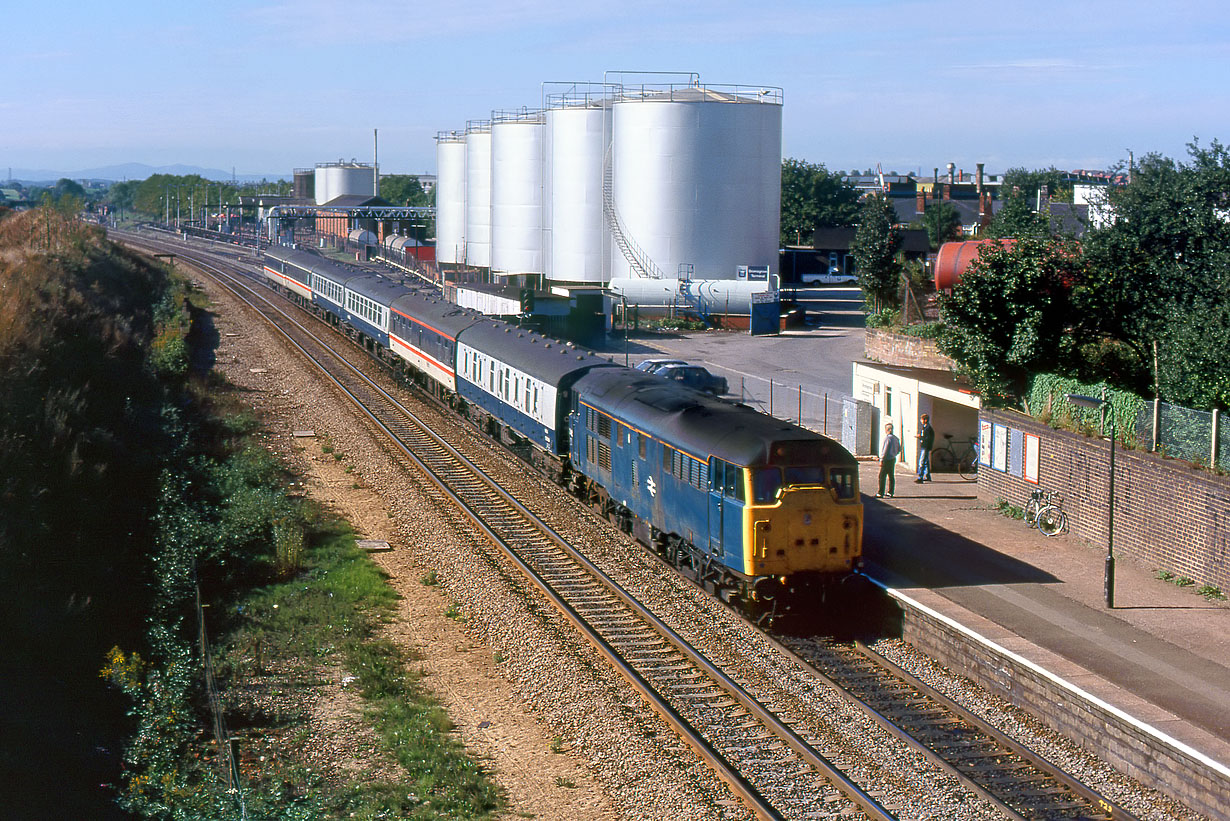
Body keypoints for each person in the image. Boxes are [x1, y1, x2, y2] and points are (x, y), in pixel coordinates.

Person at [877, 422, 901, 498]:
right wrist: (894, 454)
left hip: (886, 459)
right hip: (893, 459)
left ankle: (880, 492)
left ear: (887, 430)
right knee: (891, 476)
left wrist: (881, 459)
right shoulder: (896, 438)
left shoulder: (887, 438)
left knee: (882, 476)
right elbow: (899, 450)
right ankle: (890, 492)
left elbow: (885, 450)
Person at [915, 413, 934, 483]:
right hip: (924, 446)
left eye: (922, 419)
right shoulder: (924, 427)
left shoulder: (928, 429)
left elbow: (928, 438)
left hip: (926, 446)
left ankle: (920, 477)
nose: (921, 421)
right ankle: (927, 475)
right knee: (926, 462)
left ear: (925, 420)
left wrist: (920, 437)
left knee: (921, 462)